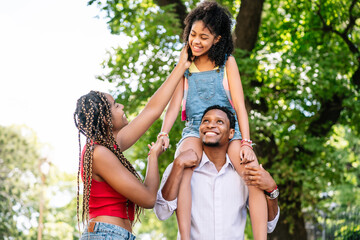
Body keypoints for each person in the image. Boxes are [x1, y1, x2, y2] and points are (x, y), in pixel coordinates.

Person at [157, 1, 267, 239]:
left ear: (217, 39)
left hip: (227, 128)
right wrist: (164, 133)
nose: (196, 41)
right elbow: (175, 103)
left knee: (252, 172)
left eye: (204, 37)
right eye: (193, 35)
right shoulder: (185, 62)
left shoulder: (227, 63)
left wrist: (246, 143)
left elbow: (239, 106)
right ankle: (185, 236)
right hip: (195, 127)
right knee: (186, 162)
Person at [73, 46, 191, 239]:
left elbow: (152, 111)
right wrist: (153, 157)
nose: (122, 107)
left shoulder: (109, 145)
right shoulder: (98, 153)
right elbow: (148, 198)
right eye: (116, 105)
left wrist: (181, 66)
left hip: (115, 234)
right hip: (106, 234)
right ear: (105, 119)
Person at [154, 105, 280, 240]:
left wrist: (272, 190)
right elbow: (162, 213)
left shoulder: (244, 172)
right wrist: (178, 165)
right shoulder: (180, 166)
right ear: (199, 129)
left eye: (219, 122)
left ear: (231, 133)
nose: (210, 125)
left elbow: (269, 226)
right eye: (205, 121)